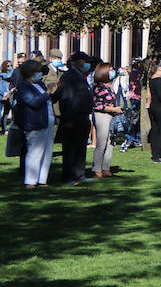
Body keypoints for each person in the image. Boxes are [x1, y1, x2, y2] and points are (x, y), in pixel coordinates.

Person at [53, 50, 95, 185]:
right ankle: (68, 176)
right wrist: (71, 113)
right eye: (85, 62)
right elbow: (66, 97)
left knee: (80, 148)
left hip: (82, 117)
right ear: (77, 62)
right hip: (72, 117)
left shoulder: (80, 76)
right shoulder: (69, 76)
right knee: (70, 149)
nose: (87, 65)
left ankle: (79, 174)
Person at [11, 60, 54, 187]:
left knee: (46, 152)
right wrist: (48, 93)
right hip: (34, 123)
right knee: (34, 152)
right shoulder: (24, 86)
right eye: (38, 71)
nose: (41, 74)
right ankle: (30, 181)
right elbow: (33, 102)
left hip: (47, 121)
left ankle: (42, 179)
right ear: (30, 73)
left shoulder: (40, 84)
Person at [90, 63, 122, 178]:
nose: (113, 71)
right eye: (110, 70)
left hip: (111, 115)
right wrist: (113, 109)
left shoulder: (109, 86)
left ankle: (106, 167)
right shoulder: (97, 87)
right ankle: (97, 168)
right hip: (101, 116)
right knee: (102, 143)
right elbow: (96, 105)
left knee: (110, 142)